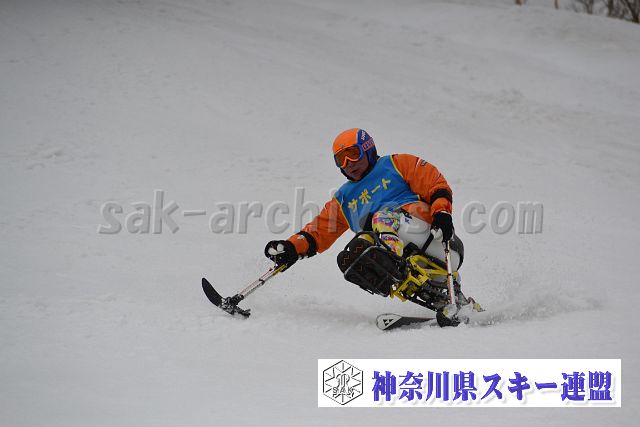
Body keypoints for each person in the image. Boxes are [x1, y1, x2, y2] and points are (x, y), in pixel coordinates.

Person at [264, 128, 474, 323]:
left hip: (436, 240)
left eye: (353, 154)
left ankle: (396, 261)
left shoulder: (396, 164)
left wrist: (442, 214)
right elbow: (319, 231)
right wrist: (292, 247)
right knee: (356, 254)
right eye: (341, 159)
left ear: (368, 149)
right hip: (410, 255)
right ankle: (436, 295)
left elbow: (435, 184)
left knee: (379, 219)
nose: (348, 163)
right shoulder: (344, 199)